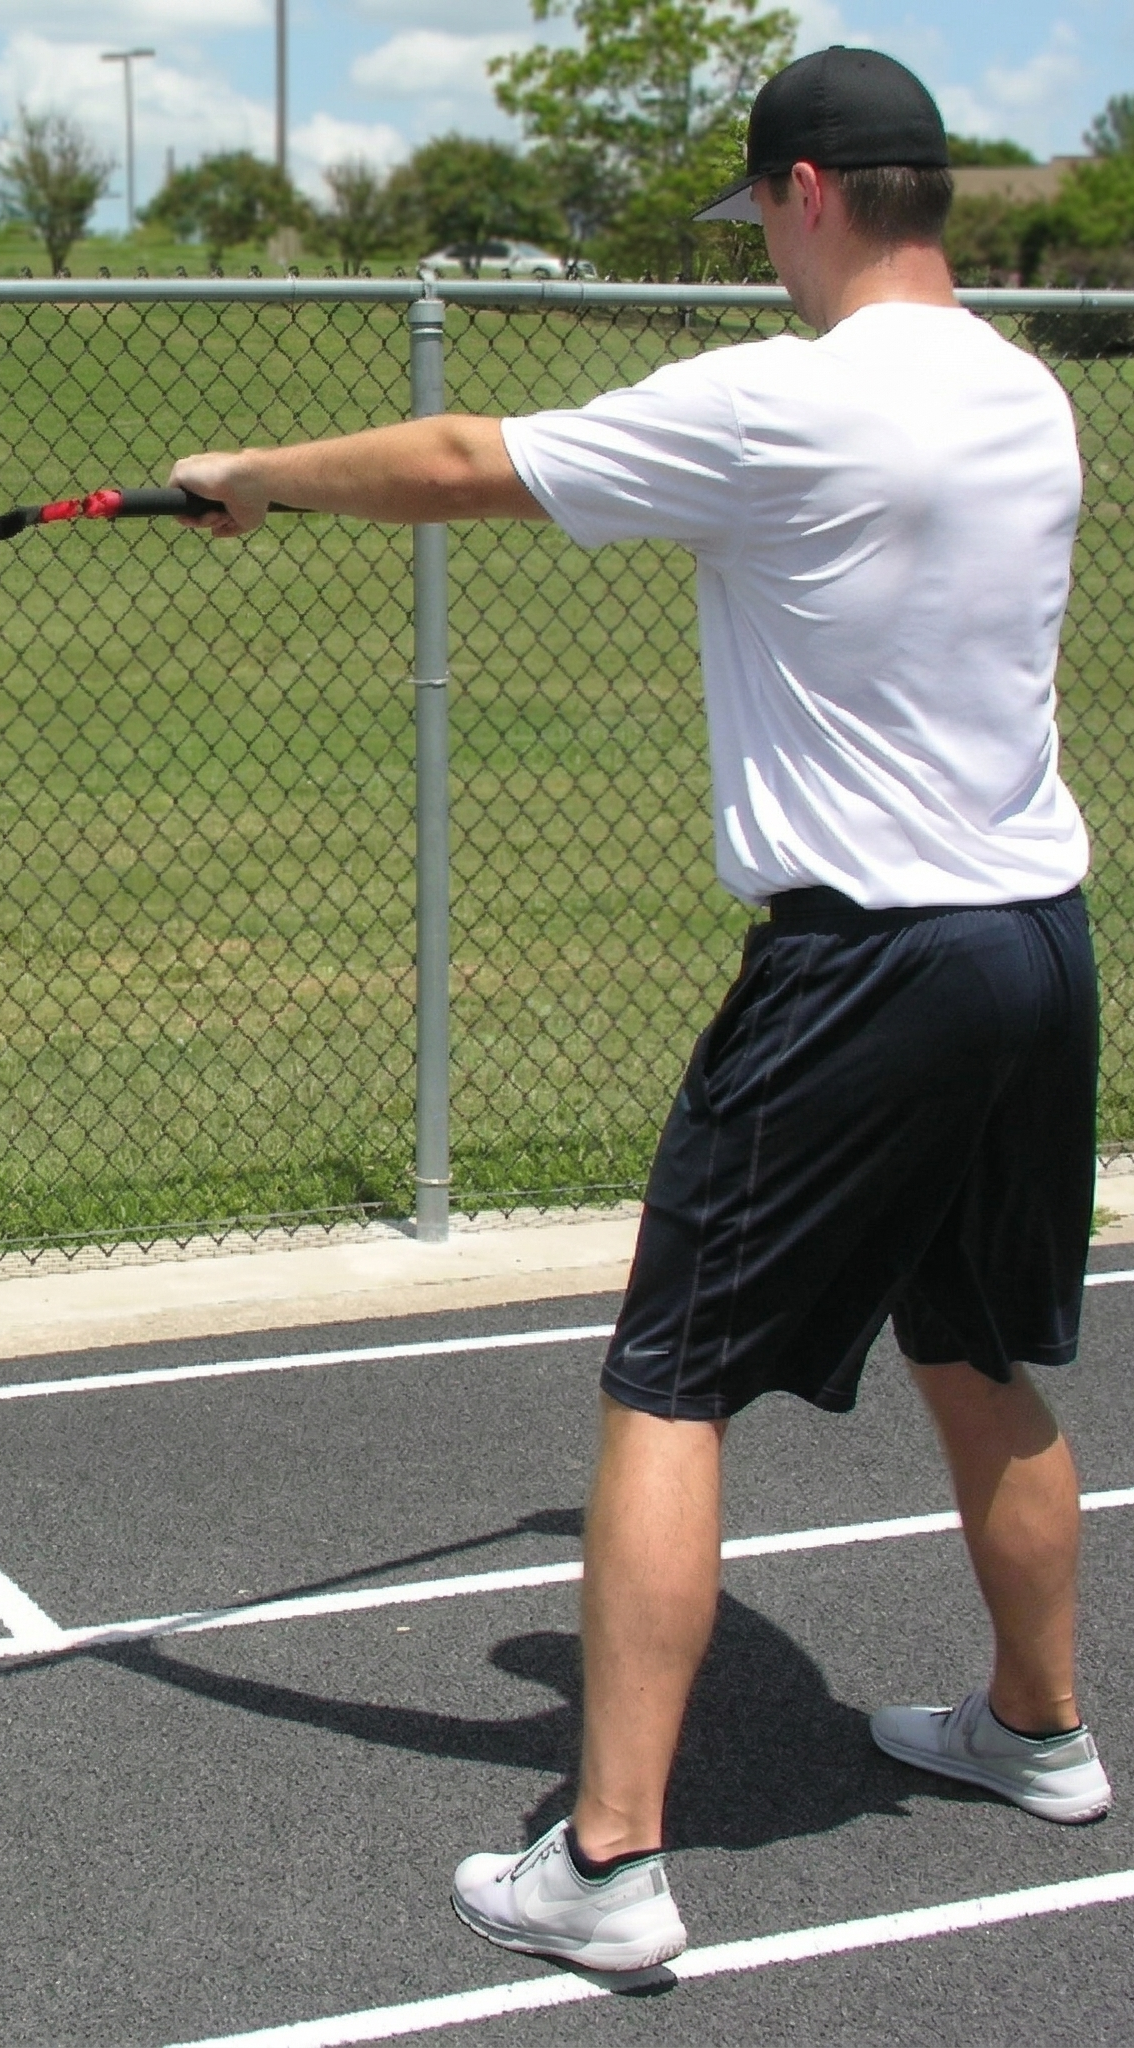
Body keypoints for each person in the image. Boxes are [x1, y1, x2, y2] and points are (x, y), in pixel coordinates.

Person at [169, 44, 1110, 1973]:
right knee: (974, 1344)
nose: (761, 249)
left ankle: (606, 1864)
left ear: (812, 196)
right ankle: (1037, 1731)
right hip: (1038, 938)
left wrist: (250, 477)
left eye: (761, 213)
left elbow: (460, 463)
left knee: (668, 1383)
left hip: (869, 964)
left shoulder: (791, 401)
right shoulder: (1033, 395)